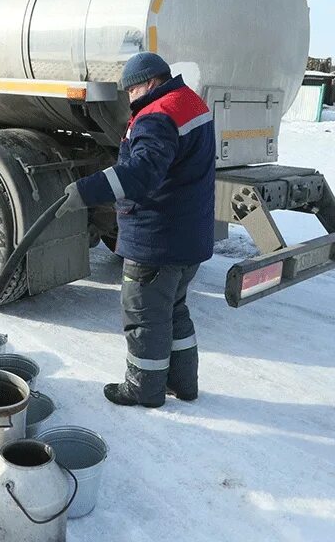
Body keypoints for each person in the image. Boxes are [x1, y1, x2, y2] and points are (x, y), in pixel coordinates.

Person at [55, 52, 215, 408]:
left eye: (132, 89)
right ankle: (183, 384)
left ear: (151, 83)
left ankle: (143, 389)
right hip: (188, 236)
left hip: (158, 238)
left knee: (143, 315)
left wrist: (87, 190)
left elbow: (142, 173)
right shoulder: (190, 102)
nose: (130, 98)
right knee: (173, 310)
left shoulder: (157, 115)